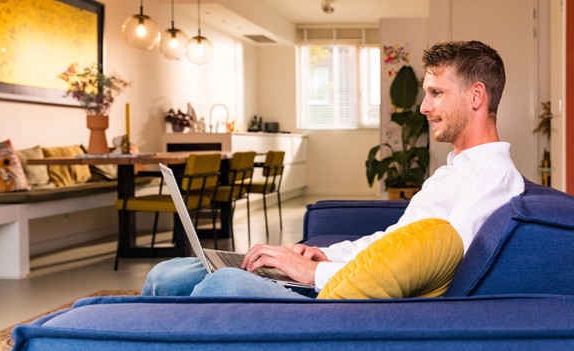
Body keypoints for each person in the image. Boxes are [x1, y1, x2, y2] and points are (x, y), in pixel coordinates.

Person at [142, 40, 525, 299]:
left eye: (436, 93)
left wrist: (313, 275)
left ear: (476, 96)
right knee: (171, 274)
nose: (424, 107)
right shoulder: (454, 170)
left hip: (354, 299)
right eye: (426, 93)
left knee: (223, 284)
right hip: (344, 279)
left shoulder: (492, 175)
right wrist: (322, 254)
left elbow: (441, 266)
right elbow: (395, 243)